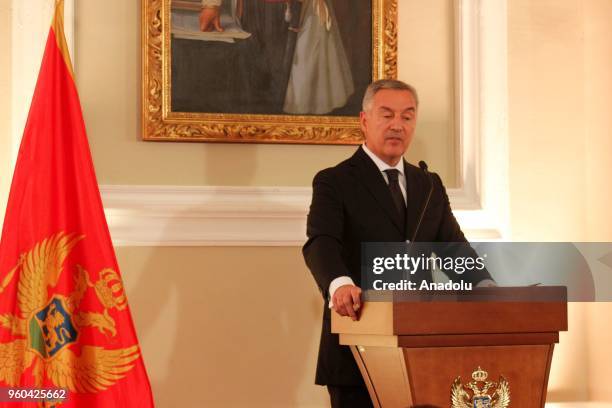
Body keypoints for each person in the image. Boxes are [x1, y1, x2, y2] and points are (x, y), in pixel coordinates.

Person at [302, 79, 494, 408]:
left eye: (407, 117)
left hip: (422, 350)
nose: (397, 125)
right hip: (357, 348)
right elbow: (321, 242)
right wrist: (339, 283)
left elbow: (454, 249)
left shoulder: (428, 184)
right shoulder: (335, 181)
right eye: (387, 114)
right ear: (364, 120)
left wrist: (487, 286)